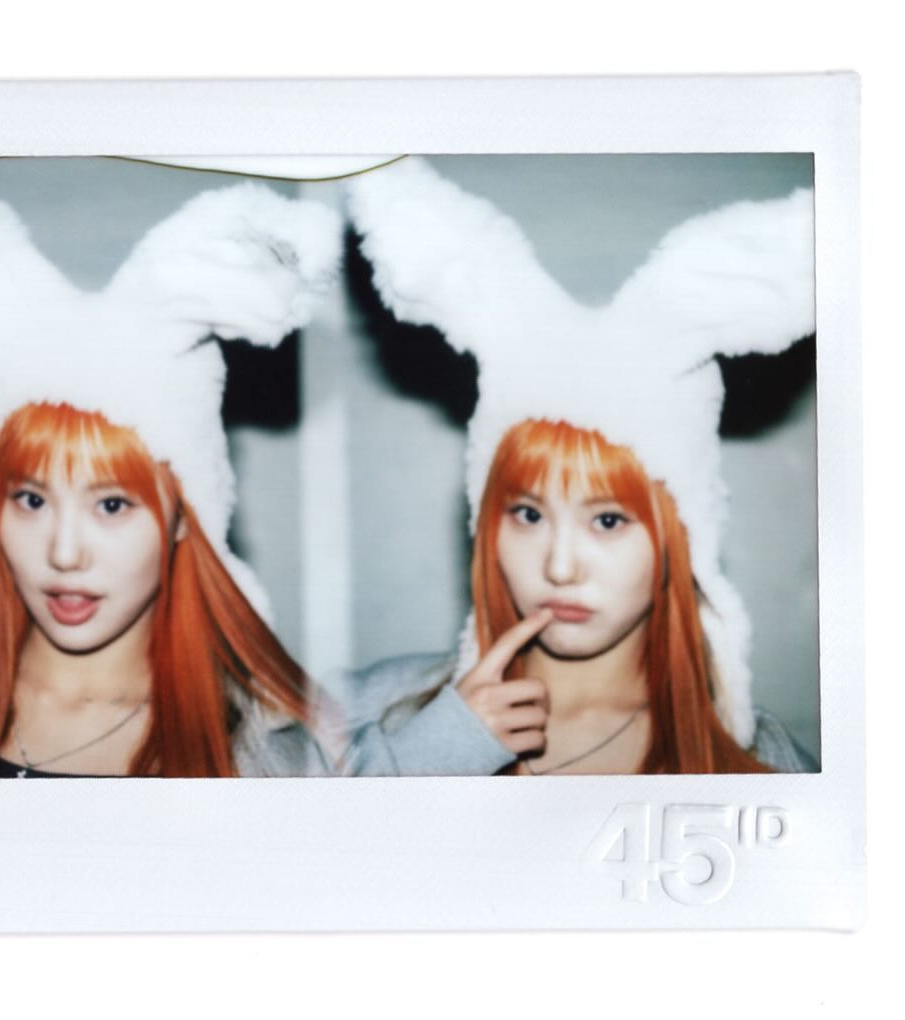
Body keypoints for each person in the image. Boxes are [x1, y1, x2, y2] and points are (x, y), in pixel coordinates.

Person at [0, 158, 342, 778]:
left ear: (187, 515)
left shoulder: (288, 762)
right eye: (31, 500)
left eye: (112, 505)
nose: (64, 554)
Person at [342, 157, 817, 775]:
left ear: (680, 535)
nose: (560, 567)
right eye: (527, 513)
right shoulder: (365, 714)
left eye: (609, 521)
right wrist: (428, 755)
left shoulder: (762, 768)